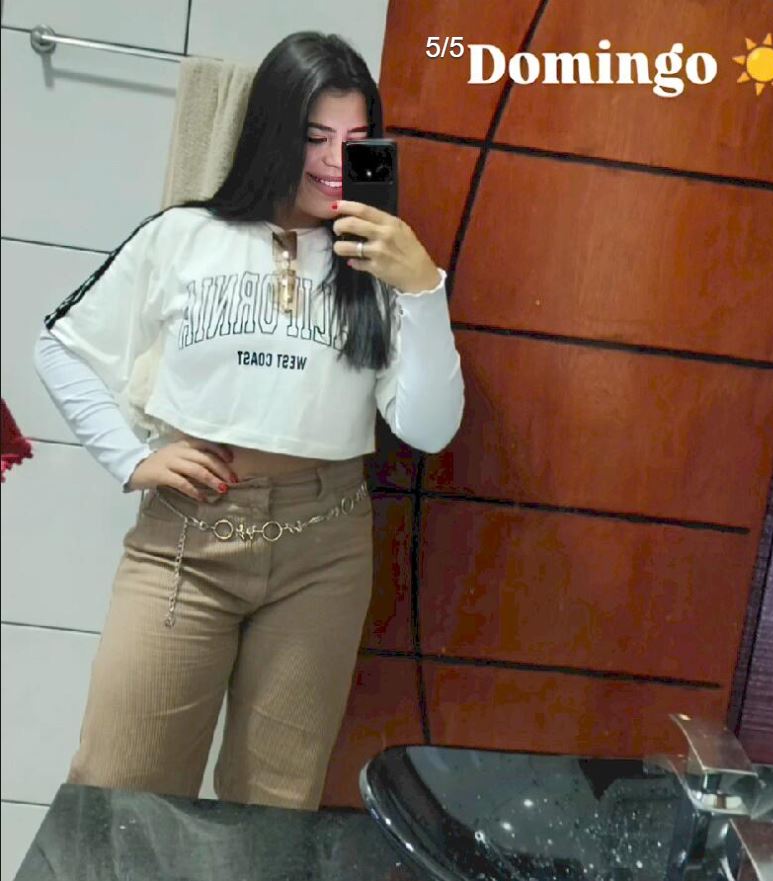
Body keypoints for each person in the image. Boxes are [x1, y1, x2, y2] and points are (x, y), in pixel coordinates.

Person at [33, 31, 464, 810]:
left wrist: (422, 288)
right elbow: (59, 347)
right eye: (314, 136)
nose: (335, 161)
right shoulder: (182, 236)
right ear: (271, 132)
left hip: (323, 550)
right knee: (121, 787)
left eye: (356, 140)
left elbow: (429, 428)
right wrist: (130, 458)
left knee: (274, 804)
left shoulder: (379, 265)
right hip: (186, 539)